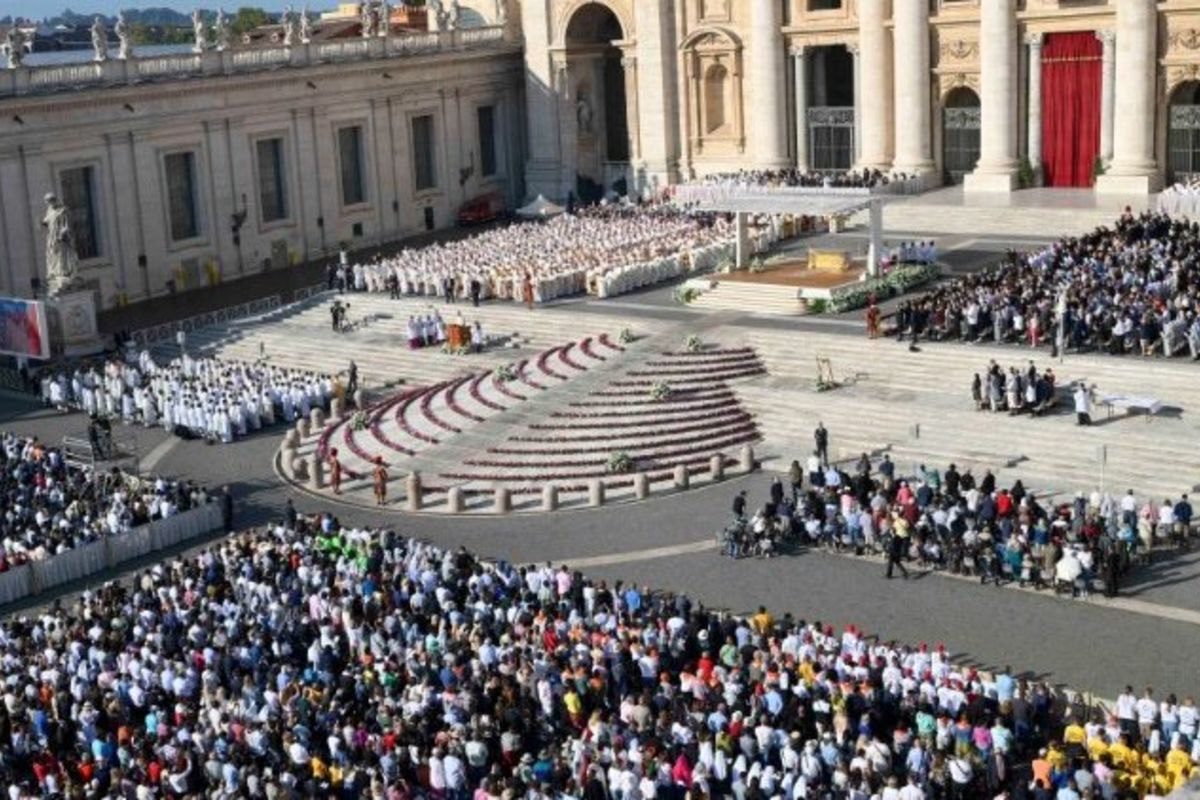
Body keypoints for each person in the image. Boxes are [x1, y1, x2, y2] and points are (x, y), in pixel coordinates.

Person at [886, 515, 910, 579]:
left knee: (892, 561)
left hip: (894, 549)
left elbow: (893, 542)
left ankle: (889, 574)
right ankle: (904, 573)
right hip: (895, 549)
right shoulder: (896, 532)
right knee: (896, 562)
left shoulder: (896, 534)